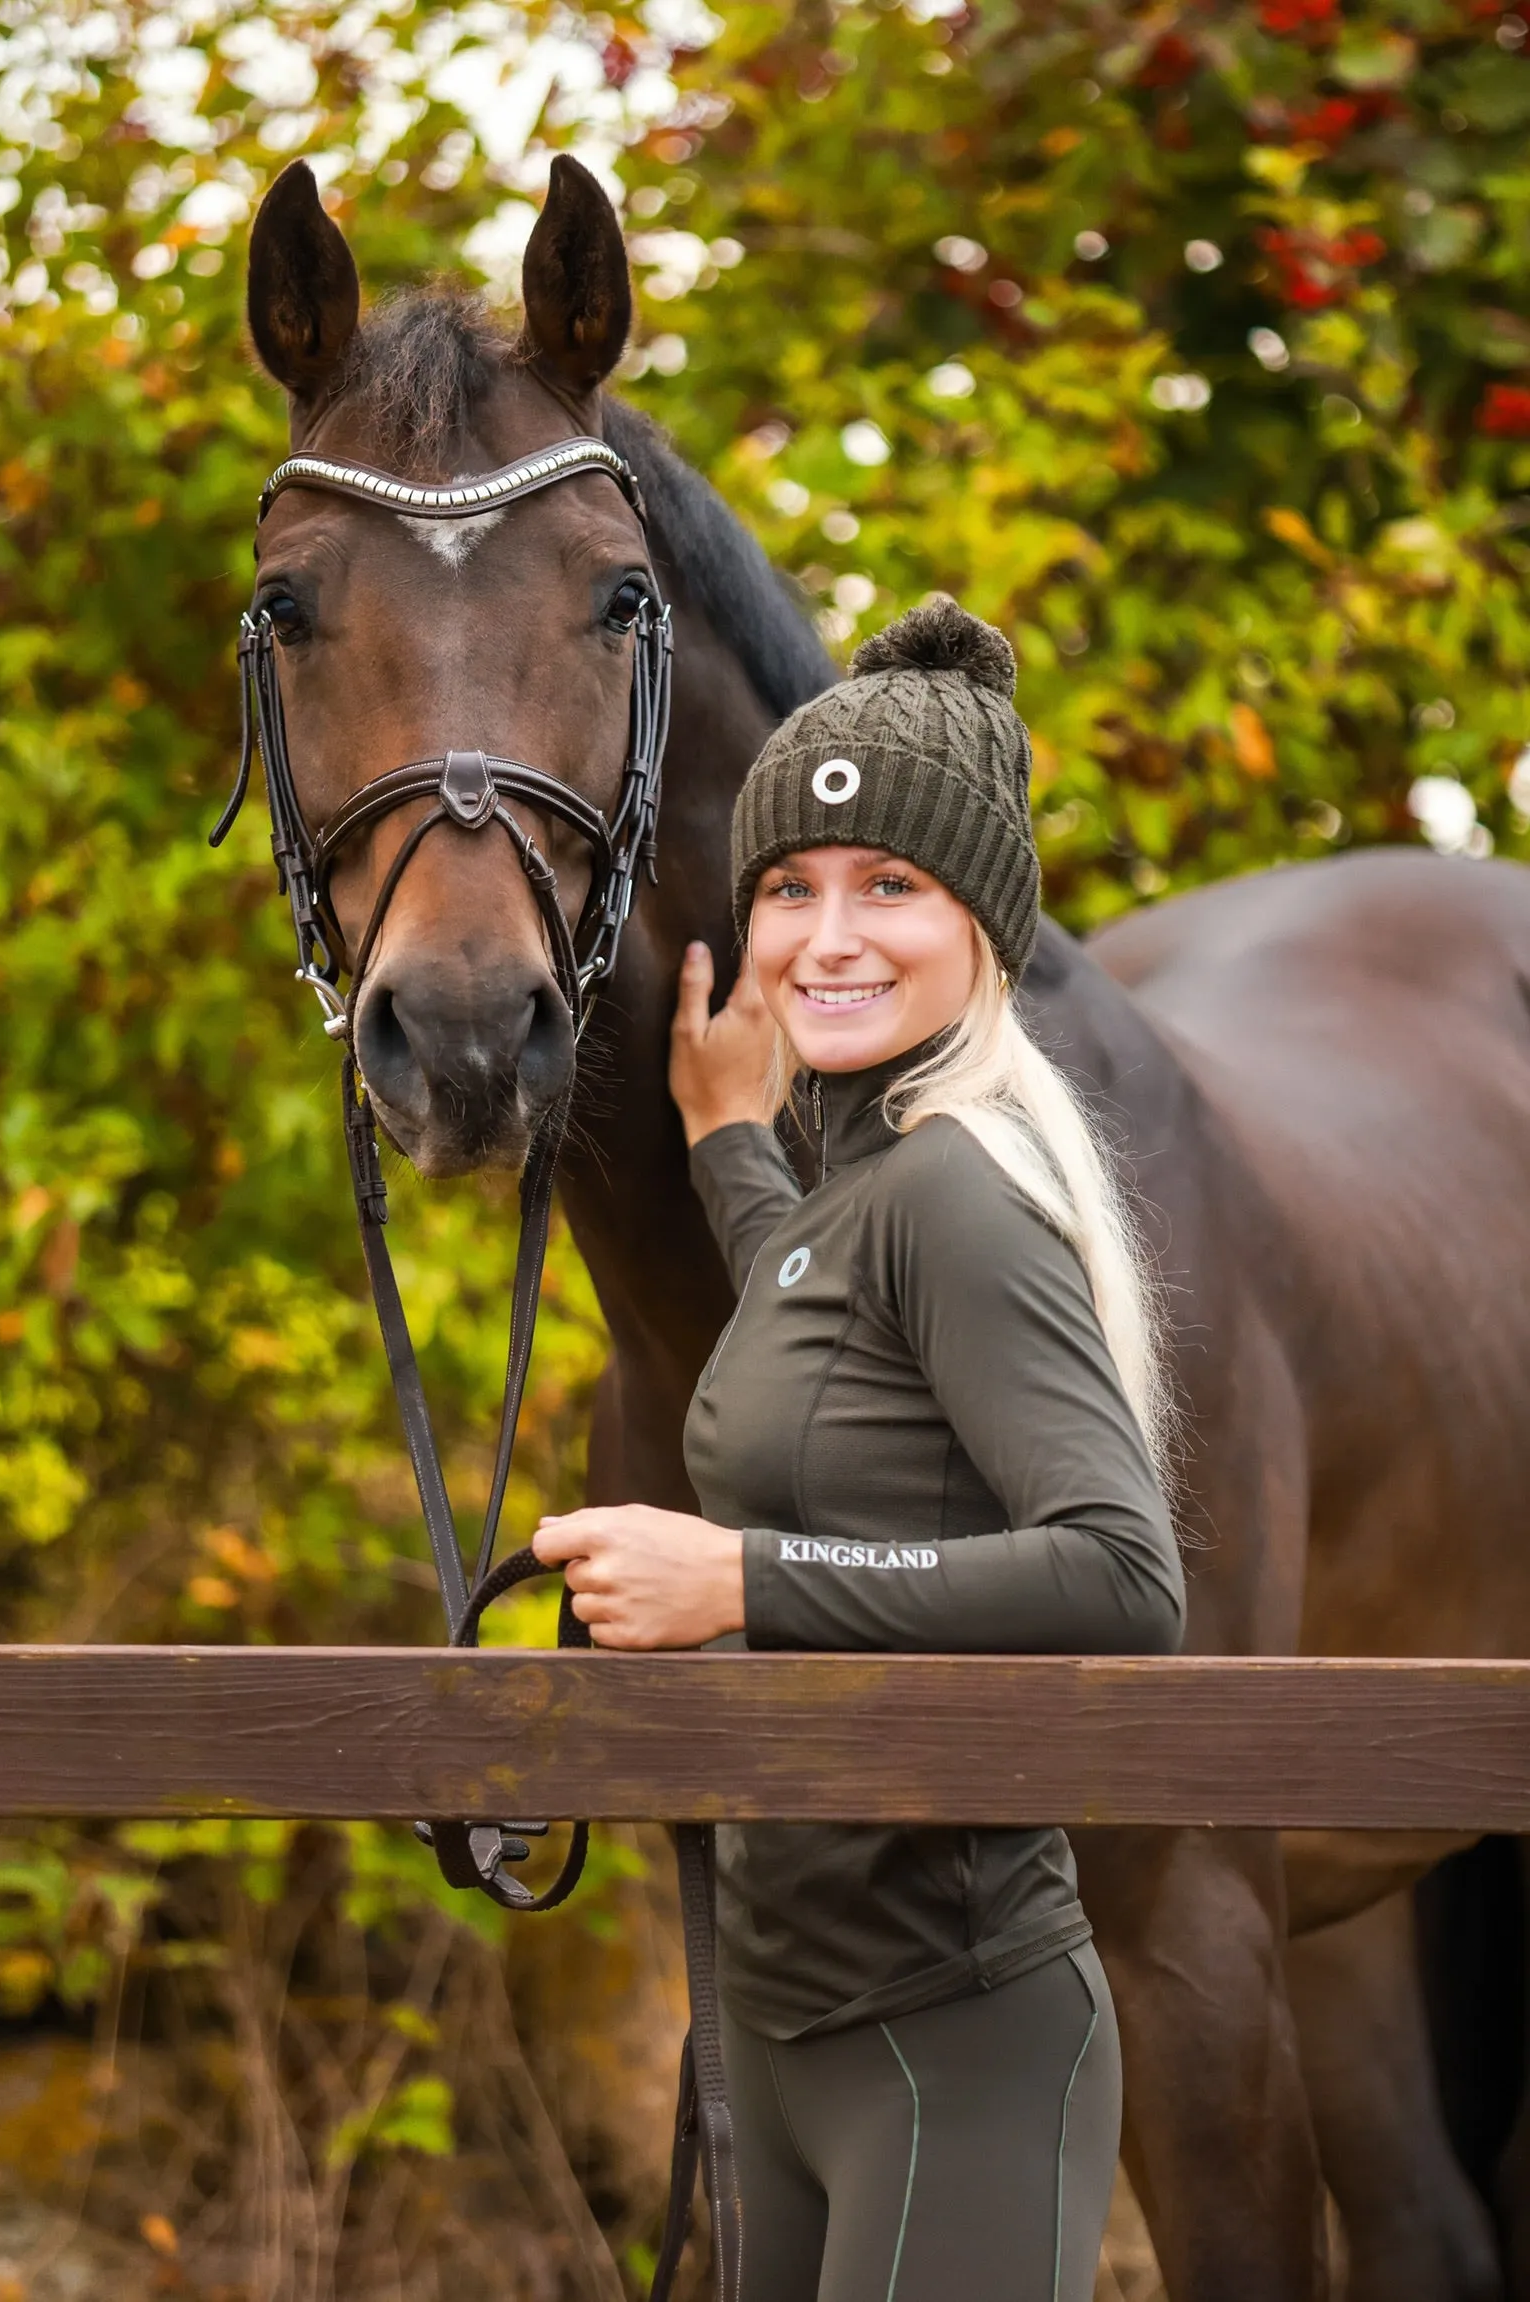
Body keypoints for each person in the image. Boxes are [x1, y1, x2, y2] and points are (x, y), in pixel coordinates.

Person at [534, 595, 1185, 2302]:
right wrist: (729, 1144)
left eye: (890, 884)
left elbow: (1125, 1575)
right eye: (786, 888)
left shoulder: (965, 1188)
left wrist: (731, 1574)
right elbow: (832, 1349)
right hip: (786, 2012)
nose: (826, 936)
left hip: (945, 2038)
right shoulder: (862, 1199)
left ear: (986, 924)